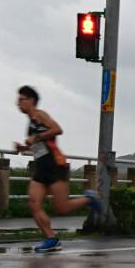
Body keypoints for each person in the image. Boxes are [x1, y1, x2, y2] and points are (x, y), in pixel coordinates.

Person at [15, 85, 100, 253]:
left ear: (31, 100)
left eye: (21, 100)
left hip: (55, 165)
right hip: (41, 167)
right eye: (17, 100)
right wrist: (24, 148)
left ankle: (89, 199)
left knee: (62, 208)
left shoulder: (40, 115)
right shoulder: (30, 122)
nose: (18, 103)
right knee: (33, 203)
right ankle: (51, 238)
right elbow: (39, 146)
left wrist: (36, 137)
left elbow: (58, 130)